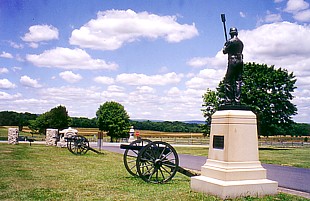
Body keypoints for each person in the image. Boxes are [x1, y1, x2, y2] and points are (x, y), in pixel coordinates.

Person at [223, 27, 244, 105]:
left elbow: (224, 51)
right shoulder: (241, 43)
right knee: (238, 81)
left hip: (232, 61)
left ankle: (229, 100)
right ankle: (238, 100)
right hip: (240, 61)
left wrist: (226, 45)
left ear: (231, 33)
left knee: (228, 80)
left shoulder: (230, 42)